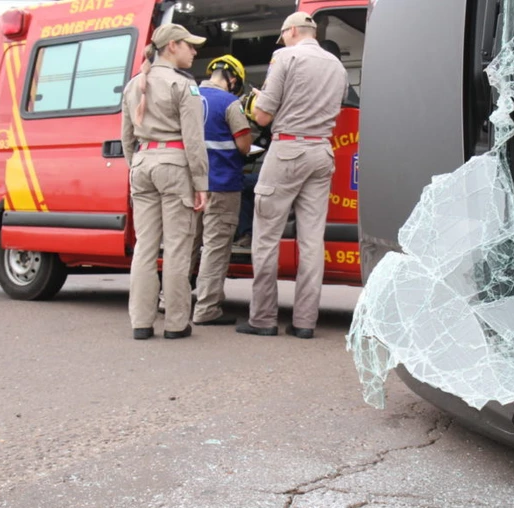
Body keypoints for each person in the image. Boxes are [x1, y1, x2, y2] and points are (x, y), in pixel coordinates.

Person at [236, 11, 348, 339]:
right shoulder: (337, 66)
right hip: (321, 153)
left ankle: (263, 318)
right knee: (312, 241)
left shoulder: (285, 57)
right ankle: (304, 322)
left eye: (283, 34)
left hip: (287, 150)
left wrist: (257, 100)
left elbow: (263, 115)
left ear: (294, 30)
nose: (282, 40)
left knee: (266, 237)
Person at [121, 24, 209, 341]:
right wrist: (202, 183)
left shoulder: (134, 85)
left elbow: (126, 138)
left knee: (144, 248)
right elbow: (194, 141)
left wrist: (137, 166)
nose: (194, 51)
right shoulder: (184, 86)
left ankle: (141, 323)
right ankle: (174, 324)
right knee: (176, 249)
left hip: (142, 165)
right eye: (190, 45)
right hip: (175, 166)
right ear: (172, 46)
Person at [192, 55, 252, 326]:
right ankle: (206, 309)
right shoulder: (230, 103)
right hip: (222, 184)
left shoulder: (189, 96)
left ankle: (169, 302)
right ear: (233, 79)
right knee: (215, 248)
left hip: (190, 186)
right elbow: (243, 146)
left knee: (184, 246)